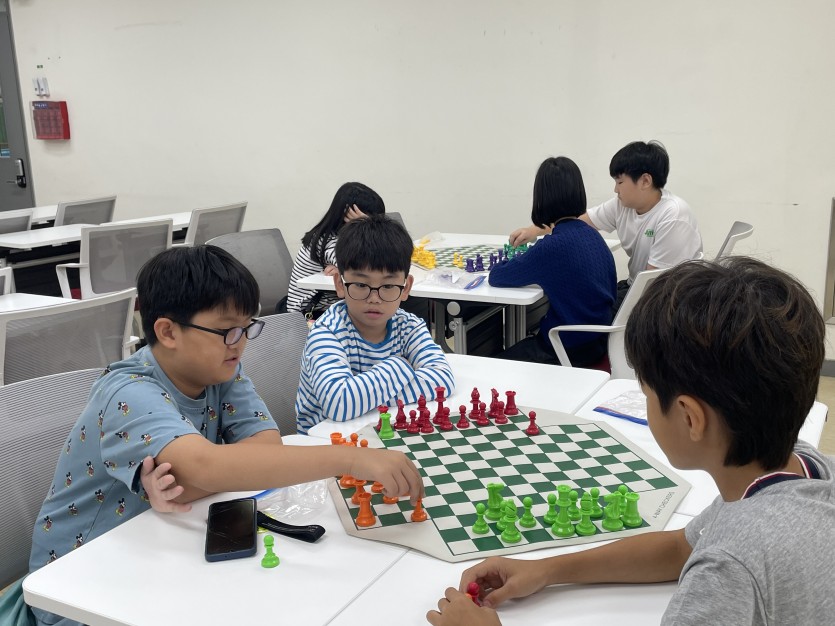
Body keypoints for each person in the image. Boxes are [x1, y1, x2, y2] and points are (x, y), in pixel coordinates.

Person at [26, 246, 423, 626]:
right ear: (168, 331)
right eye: (227, 330)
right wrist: (350, 459)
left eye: (247, 327)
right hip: (78, 590)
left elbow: (266, 448)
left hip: (163, 555)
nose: (241, 342)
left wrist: (189, 481)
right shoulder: (128, 392)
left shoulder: (221, 369)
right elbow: (209, 465)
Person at [426, 257, 835, 626]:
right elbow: (680, 548)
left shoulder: (728, 569)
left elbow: (715, 554)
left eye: (648, 395)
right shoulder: (805, 468)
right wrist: (547, 569)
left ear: (690, 418)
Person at [296, 214, 455, 434]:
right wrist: (399, 366)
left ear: (406, 288)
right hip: (325, 444)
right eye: (361, 285)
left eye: (388, 286)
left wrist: (363, 399)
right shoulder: (327, 333)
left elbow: (442, 379)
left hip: (381, 432)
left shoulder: (409, 326)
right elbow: (339, 404)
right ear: (340, 284)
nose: (374, 298)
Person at [509, 141, 702, 312]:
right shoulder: (622, 205)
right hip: (635, 288)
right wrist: (533, 230)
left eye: (620, 182)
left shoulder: (673, 216)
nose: (615, 189)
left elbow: (652, 286)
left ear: (645, 181)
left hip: (664, 303)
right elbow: (574, 220)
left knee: (585, 310)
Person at [489, 156, 616, 367]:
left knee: (490, 365)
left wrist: (515, 257)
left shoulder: (551, 247)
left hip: (566, 349)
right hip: (598, 342)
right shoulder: (592, 235)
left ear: (541, 198)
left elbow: (497, 276)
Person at [285, 181, 386, 316]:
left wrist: (344, 270)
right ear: (348, 216)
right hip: (311, 313)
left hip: (328, 306)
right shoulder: (329, 242)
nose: (376, 226)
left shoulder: (336, 238)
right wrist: (366, 228)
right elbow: (372, 268)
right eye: (372, 222)